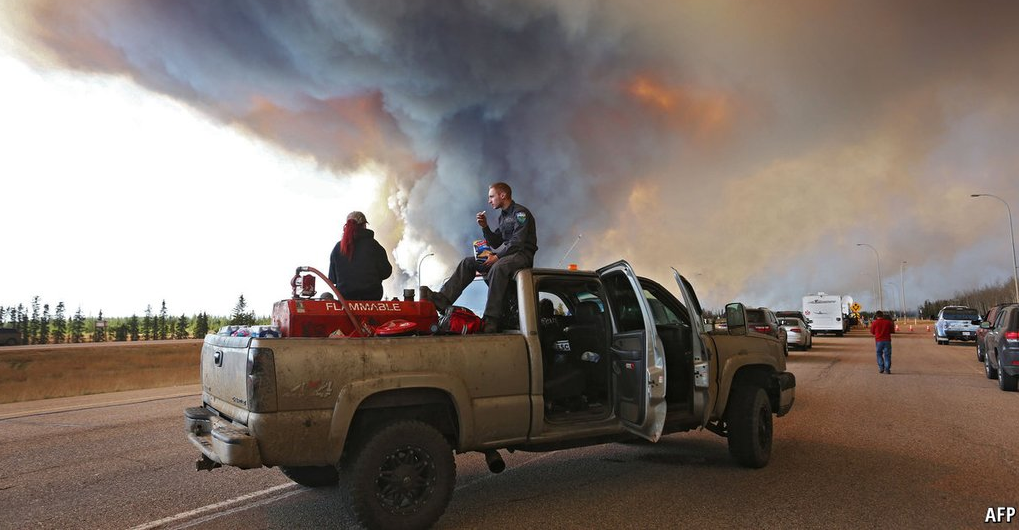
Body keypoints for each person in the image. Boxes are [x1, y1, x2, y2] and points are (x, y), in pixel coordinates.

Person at [421, 182, 538, 333]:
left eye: (491, 196)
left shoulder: (520, 214)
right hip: (507, 255)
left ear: (503, 195)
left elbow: (518, 243)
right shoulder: (503, 218)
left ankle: (491, 319)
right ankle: (442, 300)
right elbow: (495, 242)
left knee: (498, 267)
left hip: (522, 255)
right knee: (468, 263)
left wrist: (497, 258)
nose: (489, 201)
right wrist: (485, 227)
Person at [328, 211, 393, 301]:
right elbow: (386, 272)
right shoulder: (374, 246)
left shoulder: (338, 248)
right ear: (364, 225)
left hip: (346, 303)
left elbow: (332, 279)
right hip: (372, 301)